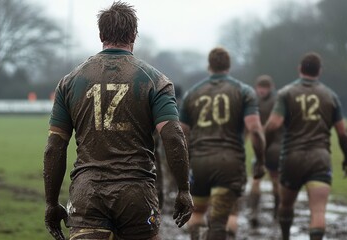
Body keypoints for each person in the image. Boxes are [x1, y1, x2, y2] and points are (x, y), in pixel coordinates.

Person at [43, 2, 193, 240]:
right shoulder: (155, 80)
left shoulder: (70, 82)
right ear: (134, 35)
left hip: (87, 193)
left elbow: (55, 147)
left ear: (101, 35)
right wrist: (184, 189)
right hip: (137, 194)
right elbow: (173, 137)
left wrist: (51, 202)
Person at [180, 47, 266, 240]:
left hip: (199, 163)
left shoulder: (192, 94)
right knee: (219, 222)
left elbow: (181, 133)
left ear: (208, 66)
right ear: (229, 66)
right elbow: (255, 129)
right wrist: (260, 160)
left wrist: (182, 167)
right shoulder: (244, 91)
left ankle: (196, 236)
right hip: (229, 163)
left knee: (197, 213)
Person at [265, 52, 347, 240]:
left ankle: (285, 236)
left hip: (291, 158)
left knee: (286, 205)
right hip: (320, 158)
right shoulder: (330, 95)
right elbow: (343, 133)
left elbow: (273, 125)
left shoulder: (286, 93)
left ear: (299, 69)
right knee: (318, 211)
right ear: (320, 71)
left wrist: (264, 148)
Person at [248, 75, 283, 228]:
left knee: (256, 180)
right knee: (276, 181)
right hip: (277, 146)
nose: (261, 91)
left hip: (263, 147)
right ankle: (277, 212)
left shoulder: (253, 102)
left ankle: (254, 212)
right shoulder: (279, 101)